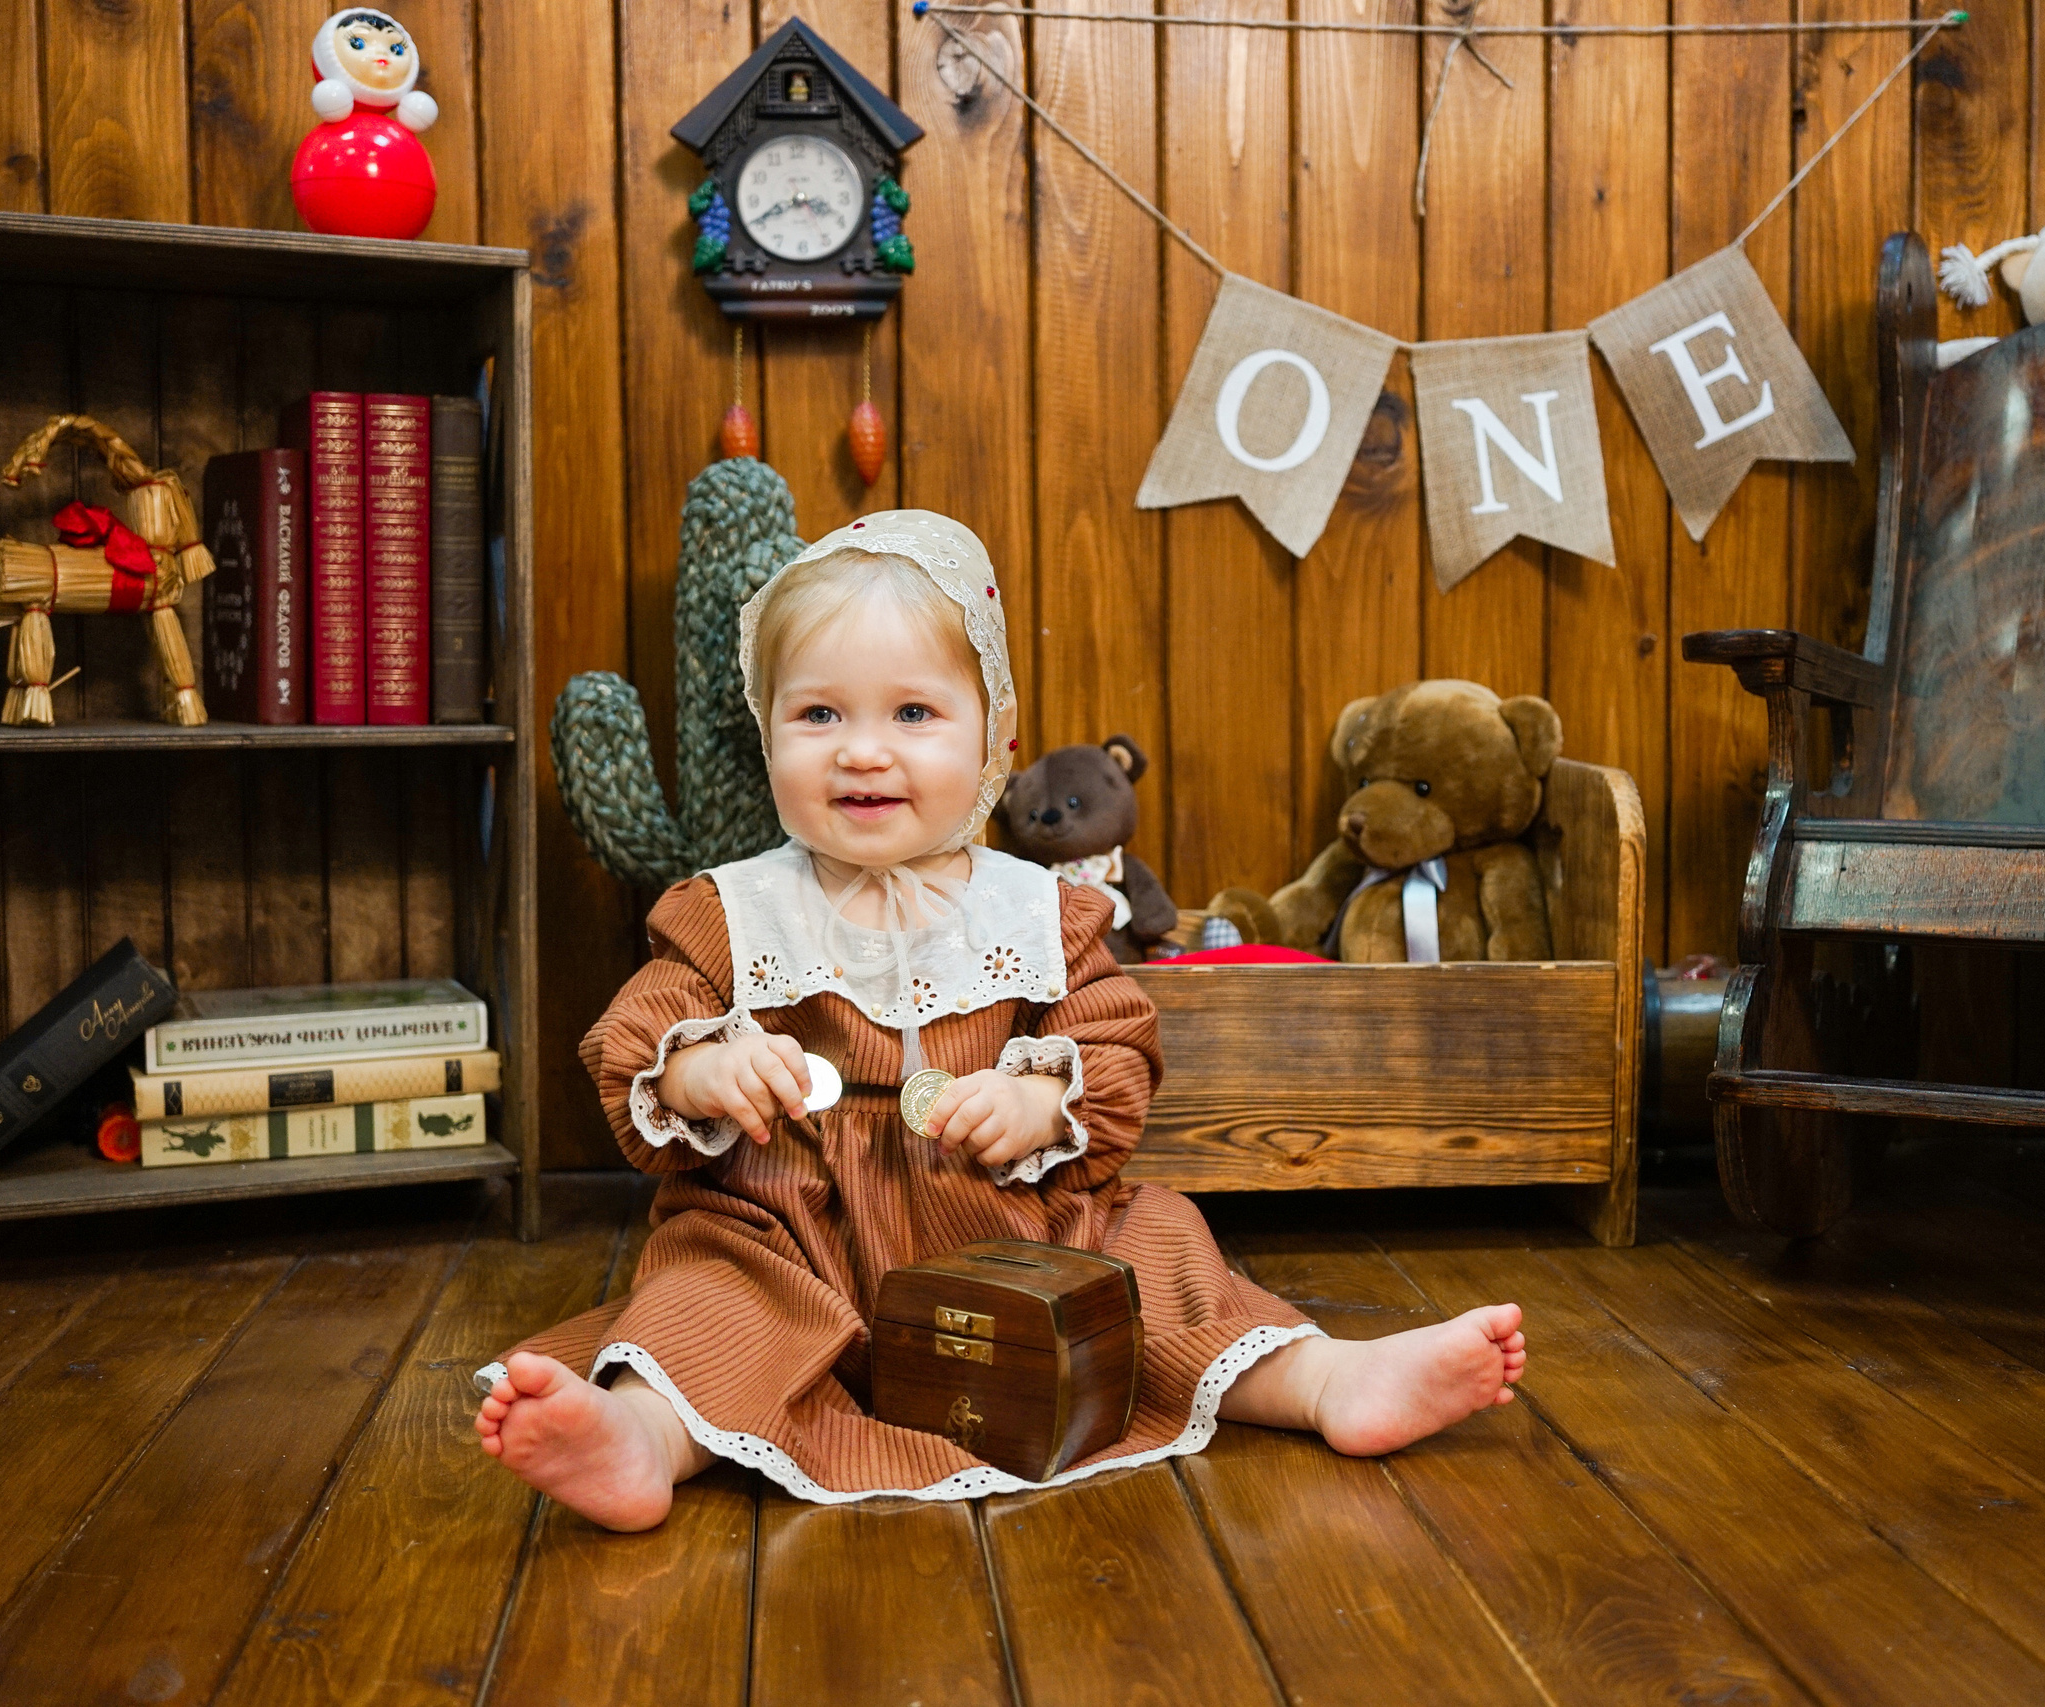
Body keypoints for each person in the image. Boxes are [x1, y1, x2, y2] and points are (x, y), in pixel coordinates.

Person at [472, 511, 1525, 1530]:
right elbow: (638, 1032)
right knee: (708, 1287)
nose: (863, 753)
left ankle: (1325, 1379)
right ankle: (643, 1439)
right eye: (819, 715)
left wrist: (1036, 1099)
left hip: (1015, 1238)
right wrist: (701, 1070)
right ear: (767, 731)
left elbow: (1116, 1040)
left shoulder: (1037, 910)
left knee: (1153, 1244)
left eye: (914, 715)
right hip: (797, 1233)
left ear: (993, 742)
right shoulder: (730, 909)